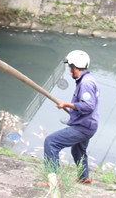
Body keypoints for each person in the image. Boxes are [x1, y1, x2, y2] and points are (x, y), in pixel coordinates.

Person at [43, 50, 99, 184]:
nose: (69, 70)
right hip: (89, 124)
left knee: (51, 142)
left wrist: (67, 104)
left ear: (75, 66)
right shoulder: (88, 80)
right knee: (77, 149)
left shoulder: (86, 83)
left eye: (69, 67)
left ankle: (54, 180)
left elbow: (88, 106)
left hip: (83, 126)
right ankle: (84, 177)